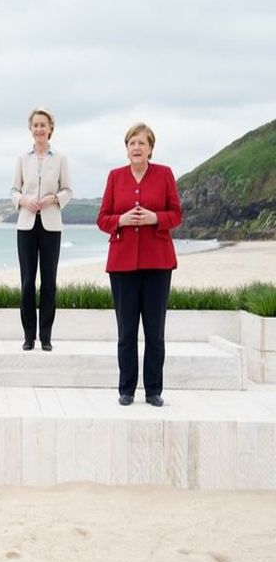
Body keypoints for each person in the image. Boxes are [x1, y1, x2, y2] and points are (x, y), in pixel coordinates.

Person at [97, 123, 182, 407]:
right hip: (122, 265)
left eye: (141, 143)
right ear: (127, 148)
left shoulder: (165, 174)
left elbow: (176, 214)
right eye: (132, 143)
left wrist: (155, 218)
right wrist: (120, 220)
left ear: (150, 148)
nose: (136, 147)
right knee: (127, 332)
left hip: (158, 262)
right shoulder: (115, 176)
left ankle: (154, 390)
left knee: (155, 332)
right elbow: (102, 218)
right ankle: (126, 390)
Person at [10, 107, 73, 351]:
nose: (39, 129)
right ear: (30, 128)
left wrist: (53, 199)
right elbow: (14, 190)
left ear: (50, 129)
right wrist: (23, 201)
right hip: (26, 225)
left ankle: (46, 336)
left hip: (51, 225)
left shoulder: (60, 158)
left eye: (43, 125)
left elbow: (68, 189)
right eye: (35, 125)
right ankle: (29, 336)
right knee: (27, 282)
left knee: (49, 282)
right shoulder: (22, 158)